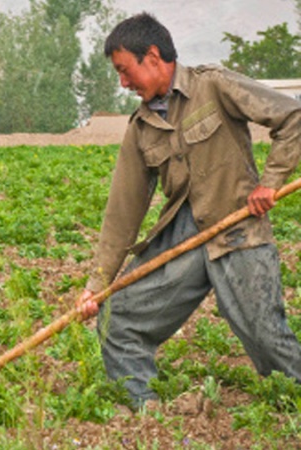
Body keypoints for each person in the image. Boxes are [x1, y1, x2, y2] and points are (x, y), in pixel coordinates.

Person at [76, 13, 301, 409]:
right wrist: (97, 284)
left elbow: (292, 116)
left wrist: (271, 181)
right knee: (119, 317)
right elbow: (122, 212)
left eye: (125, 71)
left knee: (266, 337)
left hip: (238, 229)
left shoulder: (213, 85)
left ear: (152, 56)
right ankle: (145, 407)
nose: (122, 83)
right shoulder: (141, 127)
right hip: (185, 236)